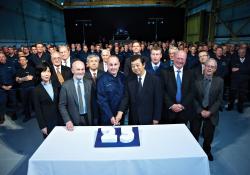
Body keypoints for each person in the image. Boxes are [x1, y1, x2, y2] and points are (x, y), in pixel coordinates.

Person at [190, 58, 224, 161]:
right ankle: (194, 152)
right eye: (208, 66)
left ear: (215, 69)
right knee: (194, 133)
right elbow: (193, 98)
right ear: (205, 67)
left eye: (212, 67)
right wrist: (200, 110)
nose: (209, 68)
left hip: (211, 112)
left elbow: (219, 100)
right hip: (197, 111)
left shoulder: (220, 81)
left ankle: (206, 151)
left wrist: (210, 111)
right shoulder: (196, 80)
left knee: (208, 136)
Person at [117, 55, 162, 125]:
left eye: (137, 65)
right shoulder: (129, 80)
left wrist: (156, 118)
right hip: (134, 119)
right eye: (133, 66)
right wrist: (120, 112)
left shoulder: (155, 80)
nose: (135, 68)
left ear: (143, 64)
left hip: (149, 119)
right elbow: (126, 98)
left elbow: (158, 101)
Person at [59, 60, 93, 130]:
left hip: (89, 118)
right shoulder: (65, 85)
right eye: (78, 69)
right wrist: (67, 120)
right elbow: (62, 105)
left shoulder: (90, 83)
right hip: (73, 120)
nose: (80, 72)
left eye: (82, 69)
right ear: (72, 71)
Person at [162, 50, 194, 124]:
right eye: (178, 58)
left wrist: (182, 105)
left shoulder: (190, 73)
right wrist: (171, 105)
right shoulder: (164, 72)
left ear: (185, 60)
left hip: (183, 112)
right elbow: (162, 91)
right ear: (174, 58)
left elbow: (192, 92)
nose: (180, 61)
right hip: (168, 112)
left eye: (182, 59)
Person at [33, 62, 61, 138]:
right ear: (39, 73)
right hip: (48, 122)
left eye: (48, 71)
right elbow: (37, 109)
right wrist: (42, 126)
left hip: (60, 119)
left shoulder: (56, 85)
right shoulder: (36, 90)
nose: (47, 74)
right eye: (44, 71)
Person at [97, 56, 125, 125]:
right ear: (107, 65)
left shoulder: (123, 77)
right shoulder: (102, 80)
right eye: (111, 65)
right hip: (107, 117)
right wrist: (111, 116)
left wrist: (120, 112)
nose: (113, 67)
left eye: (115, 64)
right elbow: (102, 101)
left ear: (119, 64)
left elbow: (125, 96)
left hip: (121, 115)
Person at [227, 47, 250, 113]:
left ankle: (240, 107)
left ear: (245, 53)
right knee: (232, 95)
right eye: (239, 52)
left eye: (243, 52)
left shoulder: (249, 59)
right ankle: (230, 106)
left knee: (242, 96)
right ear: (238, 53)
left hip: (245, 81)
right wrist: (244, 69)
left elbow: (249, 70)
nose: (241, 53)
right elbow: (232, 69)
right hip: (235, 81)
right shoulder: (234, 59)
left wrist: (239, 69)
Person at [85, 54, 104, 125]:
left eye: (96, 61)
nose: (94, 63)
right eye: (91, 61)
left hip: (102, 106)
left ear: (98, 63)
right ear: (88, 63)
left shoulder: (104, 74)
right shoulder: (83, 75)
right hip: (89, 105)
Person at [16, 56, 36, 122]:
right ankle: (27, 116)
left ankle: (38, 115)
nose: (22, 61)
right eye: (20, 60)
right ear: (19, 61)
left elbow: (30, 78)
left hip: (31, 87)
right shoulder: (18, 70)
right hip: (23, 88)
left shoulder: (31, 68)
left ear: (26, 61)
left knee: (34, 101)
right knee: (25, 103)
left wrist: (21, 79)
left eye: (23, 60)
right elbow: (17, 80)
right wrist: (24, 78)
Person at [0, 53, 17, 123]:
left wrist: (11, 85)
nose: (1, 58)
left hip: (11, 87)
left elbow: (15, 75)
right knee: (1, 103)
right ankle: (1, 117)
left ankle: (14, 114)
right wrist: (2, 86)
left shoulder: (11, 64)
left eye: (2, 56)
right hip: (1, 88)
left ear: (5, 57)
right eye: (0, 57)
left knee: (13, 101)